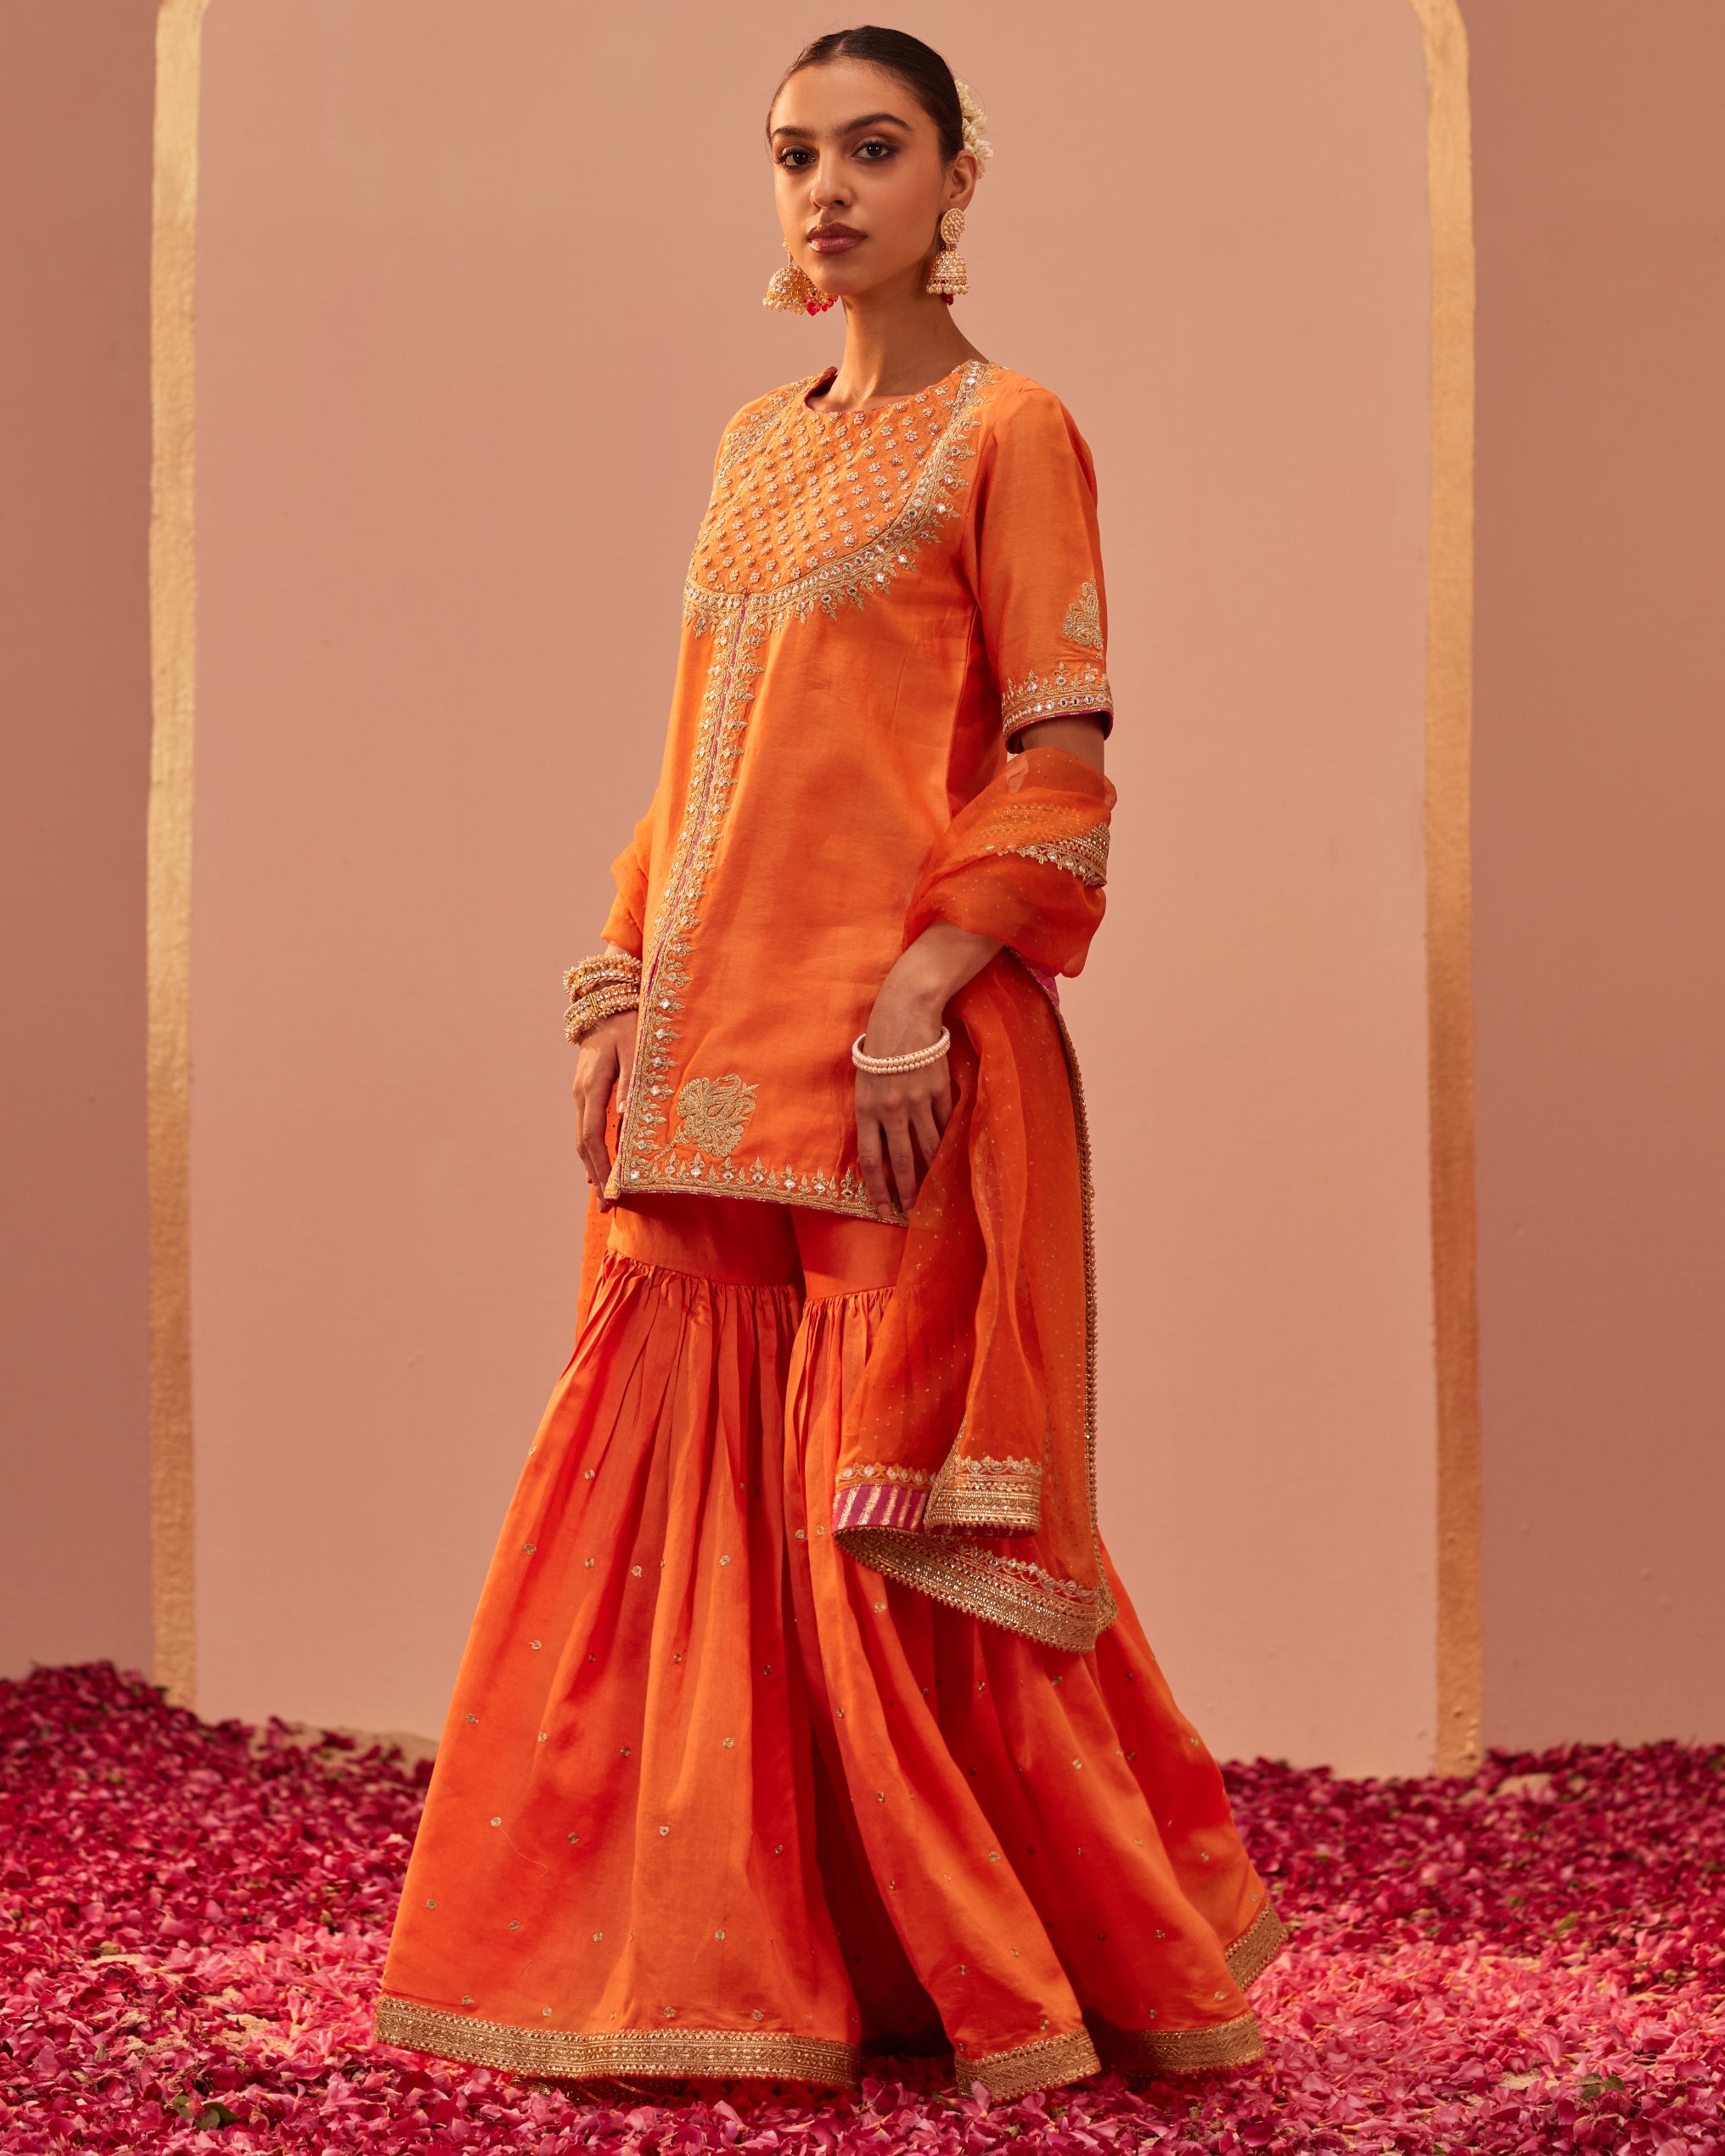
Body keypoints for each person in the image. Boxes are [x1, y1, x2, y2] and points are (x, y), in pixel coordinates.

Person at [374, 25, 1284, 2102]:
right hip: (709, 1071)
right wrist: (615, 993)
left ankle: (1013, 1966)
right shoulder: (745, 446)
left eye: (873, 150)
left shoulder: (1009, 432)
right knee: (690, 1532)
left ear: (959, 177)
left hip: (893, 1067)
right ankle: (746, 1968)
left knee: (873, 1527)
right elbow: (704, 762)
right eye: (794, 154)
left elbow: (1059, 753)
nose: (827, 190)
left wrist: (917, 996)